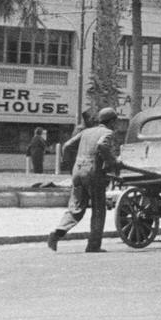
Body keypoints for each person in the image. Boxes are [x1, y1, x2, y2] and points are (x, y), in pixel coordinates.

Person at [47, 108, 120, 253]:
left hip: (78, 171)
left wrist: (69, 164)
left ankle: (57, 233)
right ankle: (93, 245)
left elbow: (67, 146)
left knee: (76, 207)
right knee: (99, 209)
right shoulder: (107, 133)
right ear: (111, 121)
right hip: (94, 173)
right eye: (115, 122)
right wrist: (112, 161)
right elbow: (102, 146)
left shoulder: (86, 132)